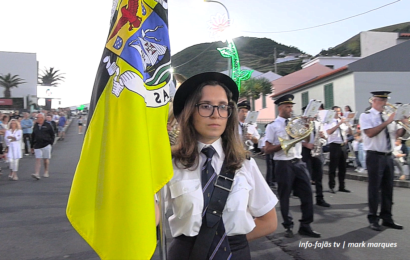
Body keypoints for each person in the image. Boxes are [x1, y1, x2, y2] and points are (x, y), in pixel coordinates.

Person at [165, 72, 278, 260]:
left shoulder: (244, 163)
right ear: (189, 112)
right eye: (206, 106)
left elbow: (269, 221)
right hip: (186, 254)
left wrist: (219, 244)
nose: (215, 114)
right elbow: (150, 218)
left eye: (222, 107)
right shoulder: (171, 163)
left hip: (235, 253)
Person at [264, 94, 320, 238]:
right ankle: (288, 225)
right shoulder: (273, 126)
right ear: (280, 107)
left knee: (307, 195)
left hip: (299, 162)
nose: (290, 109)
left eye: (291, 106)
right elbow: (267, 149)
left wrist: (307, 127)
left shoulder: (296, 123)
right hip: (283, 164)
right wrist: (283, 145)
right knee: (285, 196)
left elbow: (306, 139)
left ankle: (306, 225)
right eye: (288, 106)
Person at [359, 91, 406, 231]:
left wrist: (404, 124)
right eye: (381, 100)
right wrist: (387, 122)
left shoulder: (388, 116)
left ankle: (387, 218)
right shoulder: (366, 115)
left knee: (388, 188)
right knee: (374, 188)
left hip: (388, 156)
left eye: (385, 100)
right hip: (374, 156)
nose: (385, 103)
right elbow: (370, 133)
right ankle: (373, 218)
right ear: (373, 101)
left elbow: (397, 135)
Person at [301, 106, 330, 207]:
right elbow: (296, 139)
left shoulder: (318, 123)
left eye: (316, 112)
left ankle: (320, 198)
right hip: (305, 151)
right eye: (313, 112)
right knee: (306, 177)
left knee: (319, 176)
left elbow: (326, 138)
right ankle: (306, 200)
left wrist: (323, 136)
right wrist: (305, 144)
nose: (315, 114)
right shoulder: (301, 123)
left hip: (317, 151)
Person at [323, 106, 352, 193]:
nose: (337, 113)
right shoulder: (329, 122)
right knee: (333, 167)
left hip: (342, 145)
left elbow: (350, 132)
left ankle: (342, 186)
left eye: (339, 111)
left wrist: (349, 125)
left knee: (343, 167)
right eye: (336, 111)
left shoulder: (342, 121)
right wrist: (339, 124)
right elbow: (329, 132)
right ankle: (332, 186)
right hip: (334, 146)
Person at [31, 113, 55, 180]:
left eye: (38, 118)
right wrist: (32, 146)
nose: (37, 119)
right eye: (36, 118)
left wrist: (50, 143)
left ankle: (46, 171)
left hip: (46, 144)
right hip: (37, 145)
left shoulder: (48, 125)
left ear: (42, 118)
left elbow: (52, 134)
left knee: (45, 159)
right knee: (38, 159)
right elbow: (33, 136)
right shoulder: (36, 126)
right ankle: (37, 173)